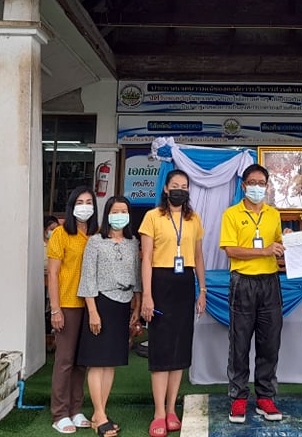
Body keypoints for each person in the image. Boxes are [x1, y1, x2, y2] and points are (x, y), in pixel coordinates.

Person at [139, 170, 207, 437]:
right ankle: (158, 412)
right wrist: (147, 294)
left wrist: (202, 290)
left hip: (185, 284)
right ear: (166, 189)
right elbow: (146, 258)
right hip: (160, 282)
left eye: (185, 186)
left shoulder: (193, 218)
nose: (180, 189)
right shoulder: (152, 217)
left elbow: (198, 257)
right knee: (161, 347)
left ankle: (171, 409)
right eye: (175, 185)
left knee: (179, 347)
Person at [219, 163, 285, 424]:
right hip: (242, 282)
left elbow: (278, 246)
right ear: (243, 185)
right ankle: (238, 397)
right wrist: (264, 251)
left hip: (270, 282)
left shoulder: (273, 214)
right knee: (240, 342)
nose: (257, 187)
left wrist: (287, 240)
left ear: (267, 187)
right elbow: (231, 250)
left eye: (262, 183)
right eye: (252, 183)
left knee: (270, 342)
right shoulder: (231, 214)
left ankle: (265, 396)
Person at [77, 196, 143, 437]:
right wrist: (93, 312)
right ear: (107, 215)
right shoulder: (95, 242)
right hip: (101, 304)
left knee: (111, 362)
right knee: (98, 362)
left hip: (123, 305)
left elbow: (137, 276)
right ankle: (99, 413)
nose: (120, 215)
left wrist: (137, 307)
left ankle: (100, 413)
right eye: (115, 211)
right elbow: (88, 278)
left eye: (124, 211)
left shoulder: (132, 242)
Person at [47, 188, 97, 434]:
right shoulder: (61, 234)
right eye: (80, 202)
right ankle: (60, 413)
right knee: (65, 360)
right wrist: (55, 309)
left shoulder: (97, 234)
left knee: (81, 361)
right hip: (67, 304)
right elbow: (53, 273)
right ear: (71, 206)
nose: (84, 206)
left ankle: (76, 410)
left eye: (89, 202)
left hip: (91, 306)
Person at [44, 214, 60, 346]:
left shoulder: (58, 243)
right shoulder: (39, 245)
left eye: (57, 229)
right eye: (51, 229)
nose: (54, 232)